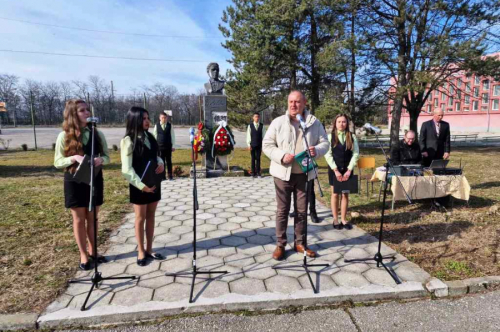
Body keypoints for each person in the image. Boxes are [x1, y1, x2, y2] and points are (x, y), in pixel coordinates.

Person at [263, 91, 329, 261]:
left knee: (302, 211)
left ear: (304, 103)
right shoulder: (278, 122)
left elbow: (325, 143)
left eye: (297, 102)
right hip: (282, 174)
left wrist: (317, 151)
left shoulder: (314, 123)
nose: (293, 105)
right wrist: (281, 155)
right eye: (291, 101)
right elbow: (267, 145)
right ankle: (280, 244)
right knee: (282, 211)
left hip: (304, 175)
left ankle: (300, 243)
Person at [54, 99, 110, 270]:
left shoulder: (97, 134)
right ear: (73, 114)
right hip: (75, 180)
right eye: (82, 110)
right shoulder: (64, 136)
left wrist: (101, 159)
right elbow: (57, 161)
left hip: (94, 178)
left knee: (92, 217)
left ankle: (94, 250)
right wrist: (73, 158)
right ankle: (83, 254)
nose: (87, 113)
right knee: (79, 219)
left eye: (88, 110)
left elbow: (107, 156)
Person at [121, 107, 165, 266]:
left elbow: (156, 156)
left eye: (148, 118)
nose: (147, 121)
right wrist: (141, 186)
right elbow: (126, 169)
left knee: (151, 215)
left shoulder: (150, 136)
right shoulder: (128, 140)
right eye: (144, 118)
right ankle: (140, 251)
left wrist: (161, 164)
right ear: (135, 120)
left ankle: (149, 248)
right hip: (139, 185)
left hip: (153, 181)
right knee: (140, 218)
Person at [324, 114, 360, 230]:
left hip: (347, 169)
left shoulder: (352, 136)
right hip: (334, 170)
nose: (341, 124)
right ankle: (335, 219)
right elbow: (327, 154)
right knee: (335, 194)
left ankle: (343, 219)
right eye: (339, 122)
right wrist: (335, 170)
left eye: (344, 122)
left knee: (345, 194)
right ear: (335, 123)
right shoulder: (330, 137)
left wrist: (349, 169)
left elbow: (356, 154)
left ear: (347, 123)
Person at [153, 112, 175, 181]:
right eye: (162, 118)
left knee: (169, 161)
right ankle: (162, 176)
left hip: (168, 147)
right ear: (160, 118)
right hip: (160, 147)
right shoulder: (157, 125)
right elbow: (155, 136)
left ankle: (170, 175)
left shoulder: (170, 125)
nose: (164, 119)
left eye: (165, 118)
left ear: (167, 118)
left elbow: (173, 136)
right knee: (161, 162)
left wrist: (173, 145)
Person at [246, 112, 265, 178]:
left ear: (259, 117)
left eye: (258, 117)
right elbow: (248, 135)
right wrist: (249, 144)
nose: (256, 118)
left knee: (258, 158)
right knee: (253, 158)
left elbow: (264, 136)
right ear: (253, 118)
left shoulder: (262, 126)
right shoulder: (250, 126)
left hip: (259, 144)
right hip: (252, 144)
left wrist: (263, 145)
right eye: (255, 117)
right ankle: (253, 173)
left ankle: (258, 172)